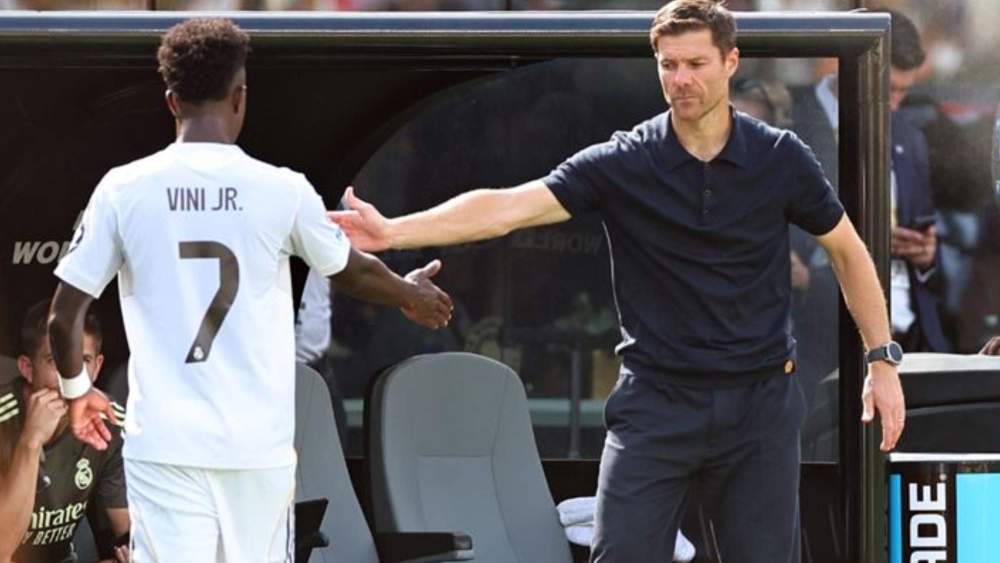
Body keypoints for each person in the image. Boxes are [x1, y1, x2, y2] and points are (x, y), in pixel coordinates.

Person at [329, 2, 905, 561]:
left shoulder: (780, 157)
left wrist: (881, 361)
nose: (680, 79)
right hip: (656, 403)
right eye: (668, 65)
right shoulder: (627, 160)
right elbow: (507, 207)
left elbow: (849, 253)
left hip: (760, 405)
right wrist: (392, 232)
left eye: (696, 64)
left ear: (731, 62)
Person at [46, 18, 452, 563]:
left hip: (167, 446)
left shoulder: (123, 189)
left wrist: (77, 395)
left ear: (171, 101)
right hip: (255, 449)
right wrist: (409, 293)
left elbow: (62, 318)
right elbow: (350, 270)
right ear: (240, 98)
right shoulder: (282, 189)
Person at [791, 7, 949, 354]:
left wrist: (926, 256)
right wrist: (869, 240)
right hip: (828, 341)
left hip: (910, 337)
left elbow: (934, 264)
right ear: (850, 63)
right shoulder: (790, 124)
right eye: (888, 88)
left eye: (904, 92)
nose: (894, 104)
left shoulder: (909, 135)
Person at [0, 300, 128, 563]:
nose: (72, 379)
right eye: (56, 361)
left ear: (97, 367)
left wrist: (132, 550)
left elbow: (127, 528)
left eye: (84, 361)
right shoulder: (4, 417)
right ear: (27, 368)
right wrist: (31, 441)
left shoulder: (110, 419)